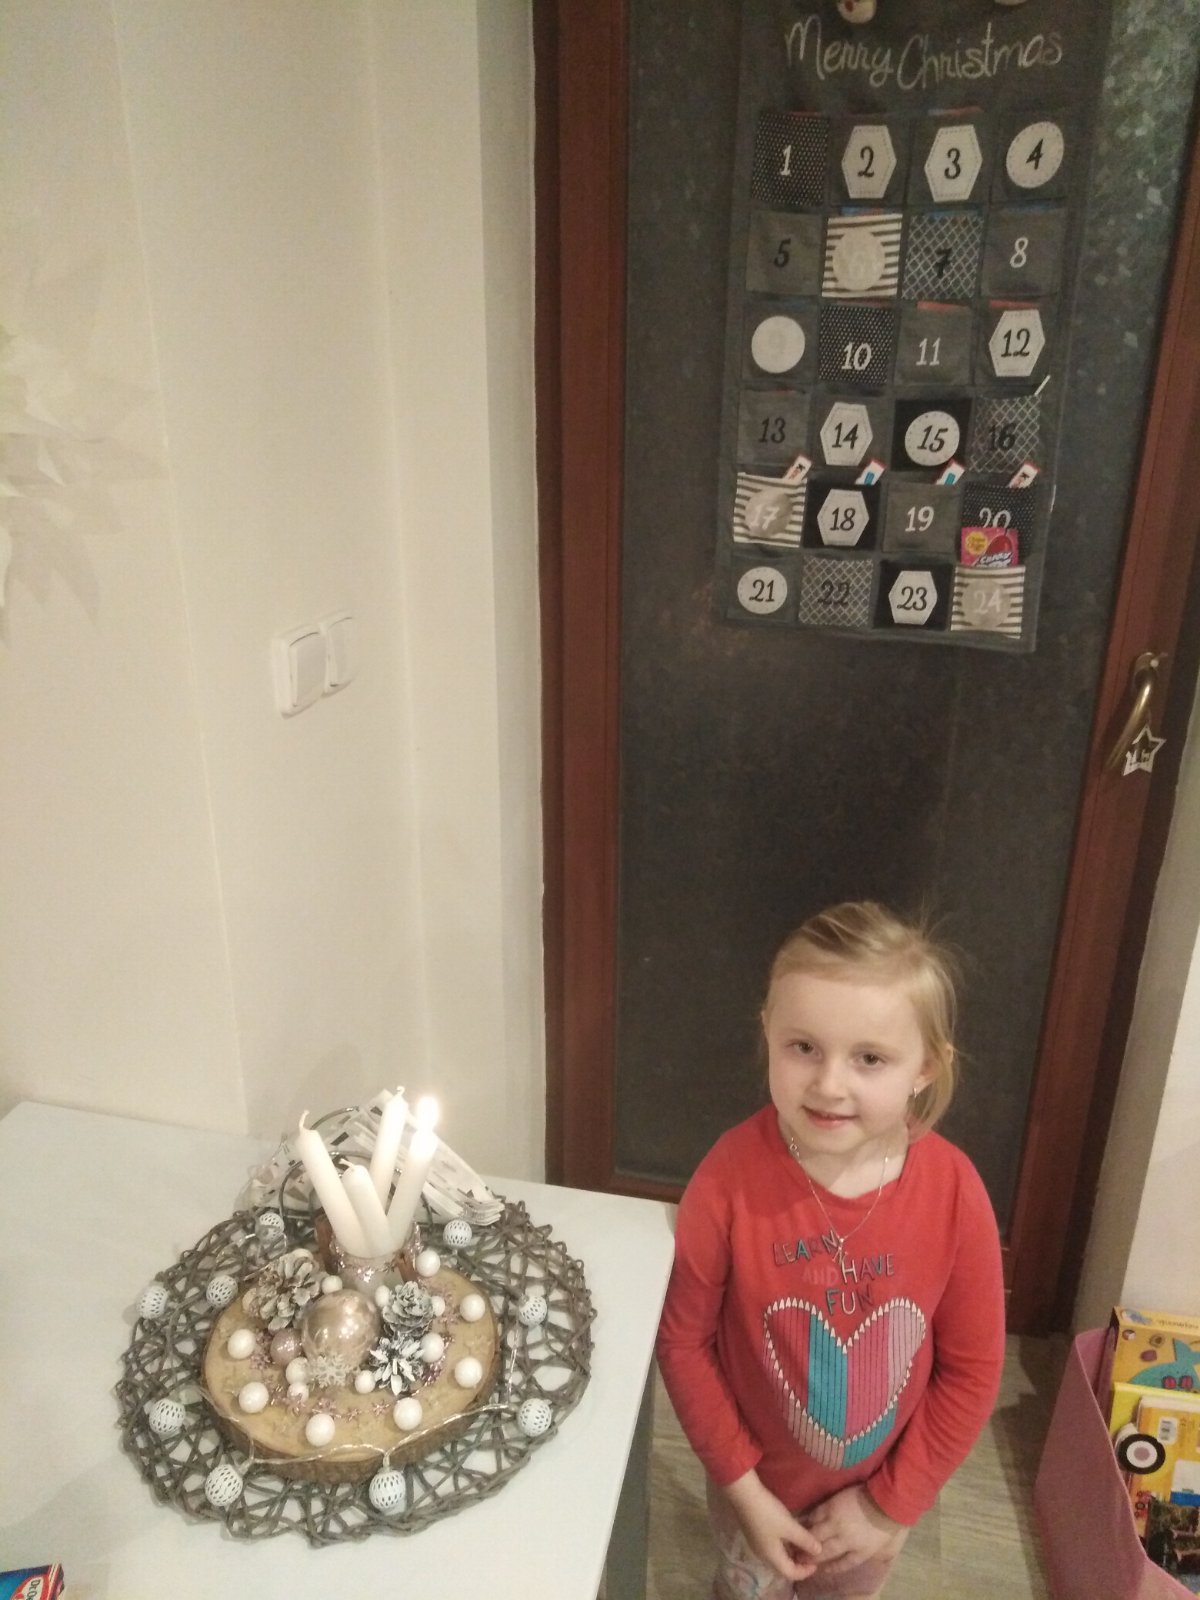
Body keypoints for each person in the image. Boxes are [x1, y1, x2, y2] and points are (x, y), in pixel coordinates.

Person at [655, 901, 1006, 1599]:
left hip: (873, 1510)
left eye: (869, 1058)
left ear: (925, 1067)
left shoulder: (955, 1193)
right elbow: (684, 1342)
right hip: (751, 1493)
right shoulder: (726, 1179)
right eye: (803, 1047)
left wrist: (889, 1505)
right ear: (768, 1031)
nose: (829, 1084)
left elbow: (972, 1371)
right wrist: (744, 1491)